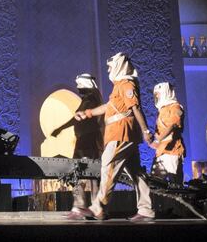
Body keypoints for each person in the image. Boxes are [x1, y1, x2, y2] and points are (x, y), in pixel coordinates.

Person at [74, 52, 155, 222]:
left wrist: (146, 131)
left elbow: (135, 108)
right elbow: (109, 107)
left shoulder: (126, 84)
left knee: (109, 166)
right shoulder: (119, 85)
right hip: (123, 134)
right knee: (136, 173)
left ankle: (98, 206)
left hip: (121, 133)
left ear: (119, 66)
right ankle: (146, 209)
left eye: (111, 66)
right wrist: (87, 113)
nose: (109, 69)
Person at [50, 73, 104, 220]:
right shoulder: (91, 98)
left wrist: (60, 128)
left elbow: (78, 117)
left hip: (87, 141)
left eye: (80, 86)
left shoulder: (90, 99)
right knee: (90, 174)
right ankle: (94, 207)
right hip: (87, 140)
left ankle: (82, 207)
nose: (78, 88)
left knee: (80, 171)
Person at [150, 82, 185, 185]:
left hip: (172, 150)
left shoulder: (176, 107)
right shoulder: (161, 110)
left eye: (158, 94)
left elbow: (173, 125)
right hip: (161, 150)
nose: (156, 96)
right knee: (155, 182)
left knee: (172, 183)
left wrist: (158, 139)